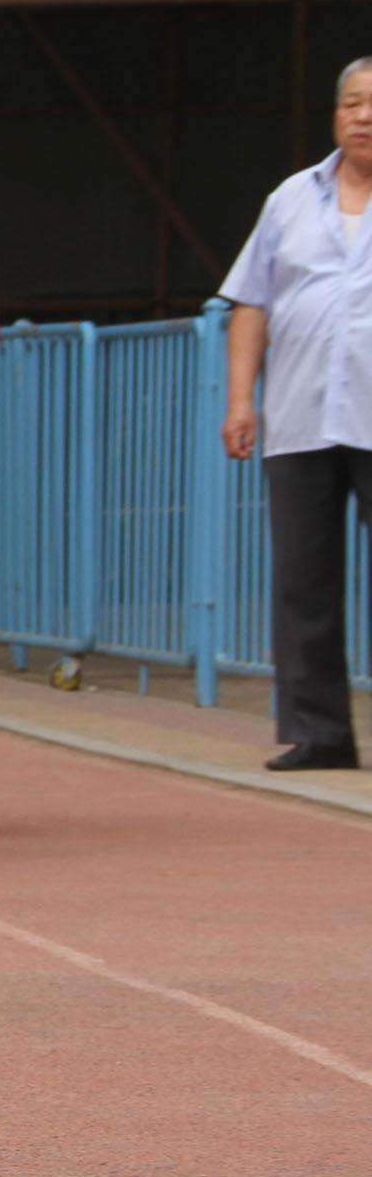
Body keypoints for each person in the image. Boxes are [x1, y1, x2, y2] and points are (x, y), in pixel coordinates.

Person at [221, 55, 372, 772]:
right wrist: (241, 400)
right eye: (351, 103)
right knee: (302, 581)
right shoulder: (289, 199)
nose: (363, 116)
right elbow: (252, 301)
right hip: (302, 413)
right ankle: (320, 734)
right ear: (334, 114)